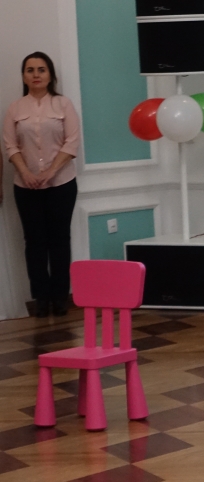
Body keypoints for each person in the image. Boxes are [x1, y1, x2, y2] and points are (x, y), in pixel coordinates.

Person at [2, 52, 80, 317]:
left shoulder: (63, 104)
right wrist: (25, 172)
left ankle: (60, 297)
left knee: (59, 240)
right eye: (30, 70)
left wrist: (50, 172)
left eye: (41, 69)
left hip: (61, 183)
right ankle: (41, 298)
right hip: (26, 187)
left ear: (50, 75)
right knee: (34, 242)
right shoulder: (15, 108)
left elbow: (72, 142)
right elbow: (10, 145)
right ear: (24, 76)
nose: (36, 74)